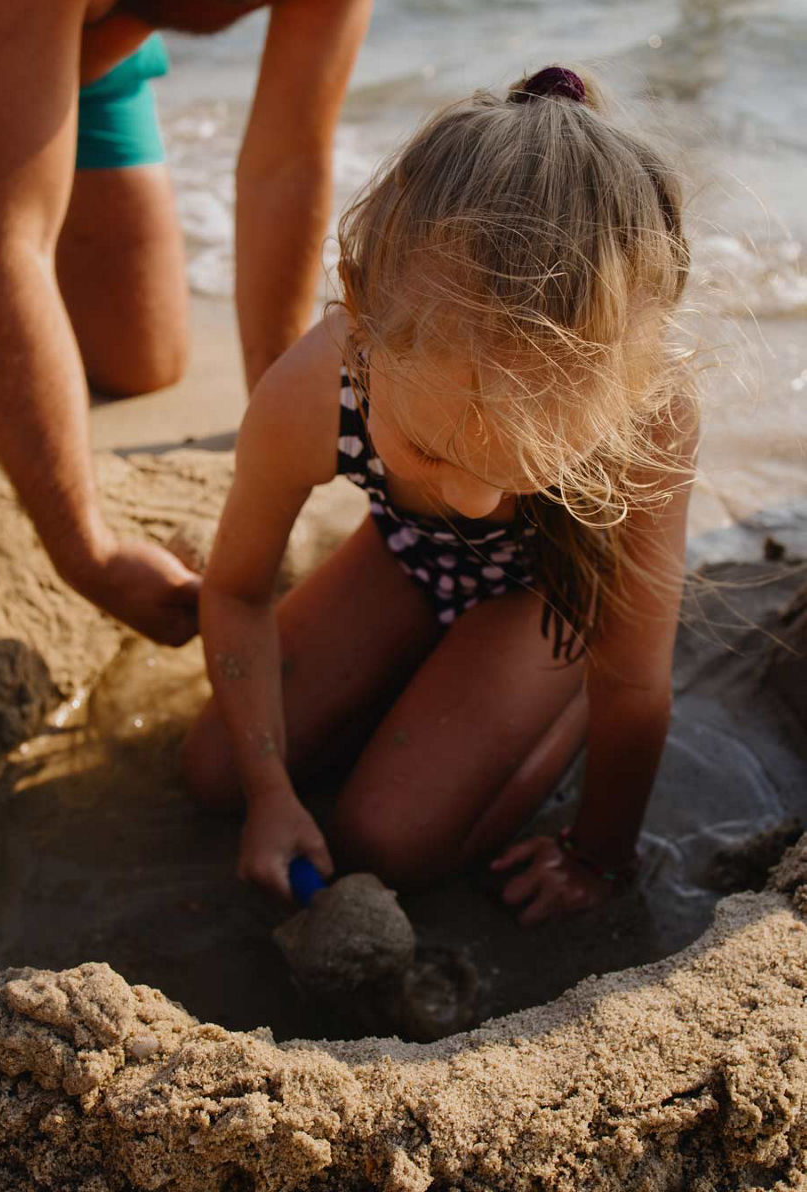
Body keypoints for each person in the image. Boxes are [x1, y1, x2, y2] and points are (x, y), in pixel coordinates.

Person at [180, 66, 699, 924]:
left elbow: (636, 685)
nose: (467, 499)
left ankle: (547, 703)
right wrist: (271, 792)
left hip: (547, 597)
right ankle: (423, 678)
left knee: (388, 843)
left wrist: (597, 853)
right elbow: (234, 592)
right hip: (404, 559)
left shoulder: (645, 409)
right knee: (215, 775)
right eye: (426, 450)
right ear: (360, 319)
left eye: (523, 464)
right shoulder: (313, 390)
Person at [0, 0, 399, 644]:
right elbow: (9, 246)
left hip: (75, 38)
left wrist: (279, 426)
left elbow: (286, 159)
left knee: (140, 357)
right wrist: (86, 551)